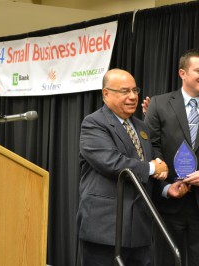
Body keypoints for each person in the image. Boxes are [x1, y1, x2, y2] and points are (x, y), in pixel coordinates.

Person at [144, 49, 199, 266]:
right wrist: (166, 185)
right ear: (182, 73)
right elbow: (150, 147)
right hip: (168, 203)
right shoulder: (159, 104)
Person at [76, 68, 169, 266]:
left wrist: (168, 189)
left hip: (140, 230)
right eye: (124, 91)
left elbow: (146, 167)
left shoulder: (142, 127)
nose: (132, 97)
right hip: (106, 229)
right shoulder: (93, 123)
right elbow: (112, 162)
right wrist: (153, 168)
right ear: (106, 94)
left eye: (135, 91)